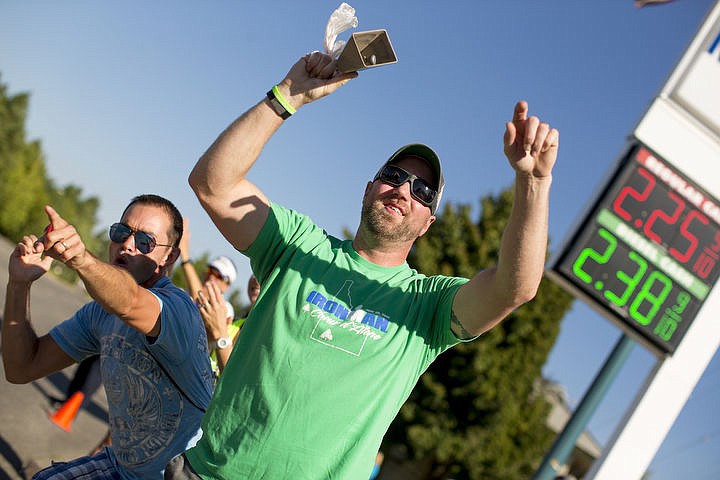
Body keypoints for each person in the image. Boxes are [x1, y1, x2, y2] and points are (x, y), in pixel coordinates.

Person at [172, 52, 558, 479]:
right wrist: (287, 97)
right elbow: (212, 183)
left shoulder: (426, 306)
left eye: (423, 190)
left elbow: (515, 287)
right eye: (393, 175)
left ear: (427, 223)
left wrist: (533, 182)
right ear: (368, 189)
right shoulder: (299, 244)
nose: (404, 190)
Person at [2, 194, 214, 480]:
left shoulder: (178, 310)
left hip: (180, 474)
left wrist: (79, 257)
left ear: (169, 257)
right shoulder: (99, 314)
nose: (127, 243)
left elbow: (129, 301)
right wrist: (18, 284)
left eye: (145, 242)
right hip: (122, 466)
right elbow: (22, 368)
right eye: (122, 231)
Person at [178, 218, 240, 376]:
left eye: (219, 276)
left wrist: (185, 256)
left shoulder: (226, 309)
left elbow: (202, 301)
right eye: (211, 271)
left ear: (227, 286)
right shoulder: (182, 292)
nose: (212, 278)